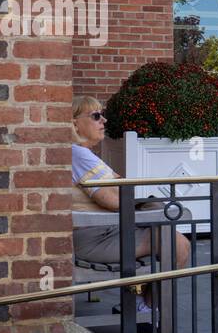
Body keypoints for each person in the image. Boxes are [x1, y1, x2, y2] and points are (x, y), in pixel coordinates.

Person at [71, 96, 191, 320]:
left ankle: (140, 304)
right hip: (94, 237)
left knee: (170, 235)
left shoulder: (82, 154)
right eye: (96, 116)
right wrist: (145, 209)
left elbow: (122, 188)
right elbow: (114, 199)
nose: (103, 120)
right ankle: (143, 306)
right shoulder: (78, 154)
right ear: (75, 123)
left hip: (105, 230)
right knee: (178, 245)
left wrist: (134, 198)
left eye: (102, 115)